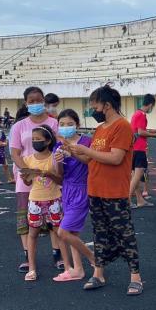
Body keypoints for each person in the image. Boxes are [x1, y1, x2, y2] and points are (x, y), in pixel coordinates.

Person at [68, 85, 143, 295]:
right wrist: (73, 152)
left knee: (125, 234)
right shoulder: (101, 129)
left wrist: (86, 149)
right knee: (99, 233)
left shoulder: (122, 127)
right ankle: (98, 273)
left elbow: (115, 158)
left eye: (95, 105)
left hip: (114, 192)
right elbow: (90, 159)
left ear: (107, 105)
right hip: (96, 189)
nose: (93, 110)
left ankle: (136, 277)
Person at [10, 87, 59, 273]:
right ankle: (27, 256)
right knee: (26, 219)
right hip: (26, 179)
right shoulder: (19, 126)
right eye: (31, 101)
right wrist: (27, 171)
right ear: (25, 103)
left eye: (38, 100)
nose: (35, 103)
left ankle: (57, 254)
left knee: (54, 217)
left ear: (44, 100)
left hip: (49, 178)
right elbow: (15, 152)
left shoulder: (54, 124)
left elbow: (59, 147)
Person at [53, 109, 95, 282]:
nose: (66, 127)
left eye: (70, 124)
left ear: (77, 124)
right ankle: (78, 270)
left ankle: (93, 258)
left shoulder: (86, 141)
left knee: (63, 232)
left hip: (82, 188)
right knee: (73, 232)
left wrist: (73, 153)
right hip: (67, 189)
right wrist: (58, 161)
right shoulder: (59, 145)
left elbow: (91, 162)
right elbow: (59, 173)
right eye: (62, 124)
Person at [20, 125, 66, 281]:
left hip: (54, 198)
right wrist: (24, 178)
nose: (35, 142)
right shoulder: (28, 159)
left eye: (38, 139)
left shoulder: (55, 157)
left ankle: (65, 263)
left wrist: (49, 174)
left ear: (47, 141)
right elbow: (27, 183)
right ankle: (32, 268)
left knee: (60, 232)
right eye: (33, 139)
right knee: (33, 234)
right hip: (35, 200)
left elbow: (60, 179)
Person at [129, 94, 156, 208]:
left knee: (134, 177)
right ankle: (127, 199)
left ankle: (139, 200)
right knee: (137, 176)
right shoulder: (141, 115)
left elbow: (139, 130)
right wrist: (155, 135)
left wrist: (151, 132)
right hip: (139, 148)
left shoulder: (136, 114)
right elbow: (141, 132)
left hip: (133, 148)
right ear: (151, 105)